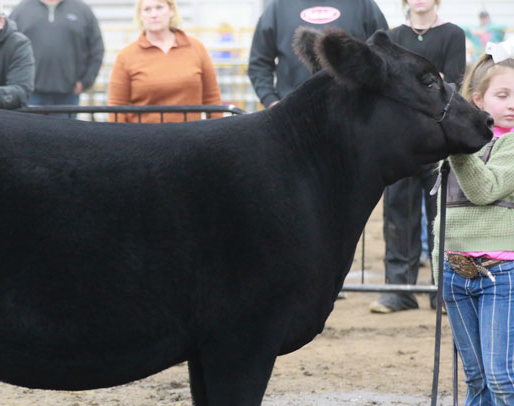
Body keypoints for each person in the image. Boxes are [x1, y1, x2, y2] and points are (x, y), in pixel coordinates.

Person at [433, 38, 514, 406]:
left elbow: (483, 191)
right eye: (502, 96)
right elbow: (443, 209)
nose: (511, 105)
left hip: (502, 274)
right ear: (479, 101)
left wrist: (456, 146)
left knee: (504, 377)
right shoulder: (461, 147)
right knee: (478, 378)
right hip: (457, 272)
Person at [370, 0, 466, 314]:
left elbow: (451, 83)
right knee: (398, 213)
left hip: (438, 141)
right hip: (399, 141)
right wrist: (427, 80)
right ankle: (398, 290)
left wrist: (417, 84)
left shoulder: (452, 34)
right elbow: (387, 86)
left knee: (442, 215)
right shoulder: (392, 37)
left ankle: (443, 292)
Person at [247, 0, 387, 109]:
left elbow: (385, 55)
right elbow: (259, 64)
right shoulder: (278, 8)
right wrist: (271, 101)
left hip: (354, 115)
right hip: (293, 118)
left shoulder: (363, 5)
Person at [107, 0, 221, 123]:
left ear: (171, 10)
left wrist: (219, 136)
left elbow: (212, 99)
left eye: (159, 7)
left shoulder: (196, 48)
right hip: (143, 138)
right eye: (147, 9)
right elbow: (116, 105)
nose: (154, 14)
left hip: (191, 136)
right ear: (140, 15)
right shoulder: (126, 55)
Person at [10, 0, 104, 110]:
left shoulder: (83, 11)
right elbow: (8, 48)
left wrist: (86, 81)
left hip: (68, 95)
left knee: (66, 127)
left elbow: (96, 49)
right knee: (30, 127)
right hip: (30, 95)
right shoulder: (21, 10)